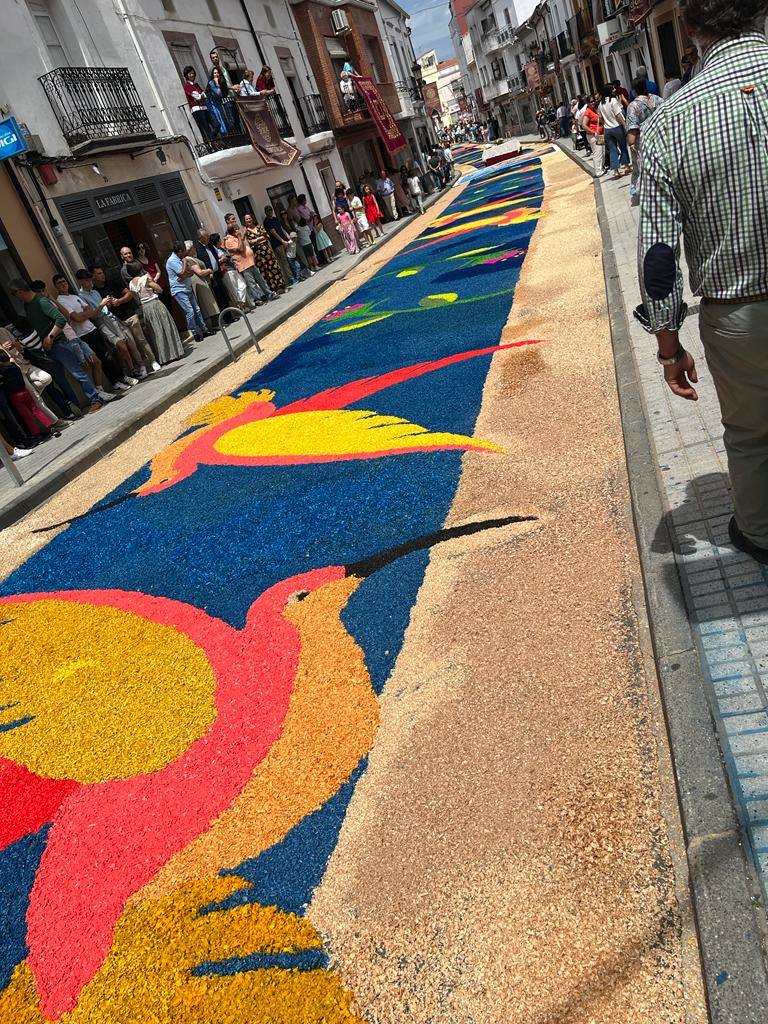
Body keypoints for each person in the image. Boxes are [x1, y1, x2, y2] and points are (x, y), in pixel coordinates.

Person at [635, 0, 768, 563]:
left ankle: (761, 534)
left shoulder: (670, 121)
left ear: (689, 28)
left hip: (739, 311)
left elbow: (658, 257)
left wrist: (669, 348)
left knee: (751, 436)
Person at [9, 278, 107, 413]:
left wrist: (50, 337)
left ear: (20, 291)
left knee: (77, 372)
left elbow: (60, 319)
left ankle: (95, 399)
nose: (14, 297)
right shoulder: (28, 306)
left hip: (60, 343)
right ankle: (75, 407)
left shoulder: (41, 301)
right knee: (59, 378)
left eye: (14, 293)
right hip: (47, 348)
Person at [53, 273, 129, 394]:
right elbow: (76, 318)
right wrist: (84, 314)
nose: (63, 284)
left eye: (64, 281)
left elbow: (91, 312)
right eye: (60, 283)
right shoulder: (61, 301)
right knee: (99, 359)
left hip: (92, 328)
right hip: (82, 334)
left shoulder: (74, 296)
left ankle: (121, 377)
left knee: (108, 354)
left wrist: (84, 314)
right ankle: (114, 382)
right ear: (56, 286)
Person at [75, 267, 153, 379]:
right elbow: (93, 315)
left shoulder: (95, 292)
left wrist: (109, 303)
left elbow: (105, 308)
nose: (89, 282)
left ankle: (132, 370)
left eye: (90, 280)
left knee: (125, 344)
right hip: (101, 323)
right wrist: (102, 304)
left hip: (111, 318)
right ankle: (127, 371)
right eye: (86, 280)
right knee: (120, 347)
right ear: (80, 281)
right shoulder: (81, 296)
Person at [91, 262, 159, 372]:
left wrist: (119, 301)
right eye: (99, 273)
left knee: (141, 339)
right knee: (131, 345)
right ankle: (141, 365)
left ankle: (153, 361)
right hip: (117, 320)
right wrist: (107, 305)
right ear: (93, 276)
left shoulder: (113, 282)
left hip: (129, 314)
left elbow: (129, 294)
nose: (102, 275)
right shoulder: (95, 292)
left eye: (102, 272)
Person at [126, 260, 186, 364]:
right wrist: (154, 289)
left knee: (155, 331)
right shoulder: (145, 279)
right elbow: (159, 289)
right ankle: (174, 353)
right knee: (165, 326)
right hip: (154, 303)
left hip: (145, 307)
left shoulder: (131, 284)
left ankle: (163, 357)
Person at [0, 350, 57, 439]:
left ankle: (36, 434)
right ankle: (50, 426)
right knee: (36, 410)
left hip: (15, 396)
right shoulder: (15, 366)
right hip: (25, 392)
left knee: (26, 416)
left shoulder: (2, 371)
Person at [625, 76, 664, 206]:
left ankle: (648, 193)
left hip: (642, 140)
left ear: (634, 90)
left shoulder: (633, 106)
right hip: (660, 136)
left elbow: (632, 128)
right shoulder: (657, 99)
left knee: (643, 166)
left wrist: (631, 143)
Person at [166, 240, 210, 342]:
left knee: (197, 310)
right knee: (189, 311)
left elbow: (189, 273)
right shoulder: (172, 261)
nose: (186, 253)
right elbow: (182, 274)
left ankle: (205, 330)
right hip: (179, 290)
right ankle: (195, 333)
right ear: (180, 251)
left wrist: (184, 273)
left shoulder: (181, 258)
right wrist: (185, 264)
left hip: (187, 286)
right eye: (184, 251)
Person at [223, 226, 276, 305]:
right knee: (251, 283)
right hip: (243, 264)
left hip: (250, 262)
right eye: (237, 229)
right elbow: (240, 249)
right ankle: (257, 299)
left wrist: (241, 236)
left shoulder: (237, 237)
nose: (239, 230)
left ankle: (269, 294)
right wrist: (239, 236)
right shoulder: (229, 241)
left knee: (261, 280)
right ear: (233, 232)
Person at [240, 212, 286, 294]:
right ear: (244, 221)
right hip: (258, 255)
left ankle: (281, 285)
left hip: (267, 252)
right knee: (265, 271)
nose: (248, 220)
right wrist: (259, 239)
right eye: (247, 219)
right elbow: (250, 242)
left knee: (274, 267)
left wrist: (256, 240)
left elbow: (266, 236)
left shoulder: (259, 226)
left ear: (252, 219)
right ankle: (274, 289)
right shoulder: (246, 232)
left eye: (249, 218)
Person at [185, 240, 221, 327]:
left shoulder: (192, 258)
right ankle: (214, 325)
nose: (195, 249)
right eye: (193, 247)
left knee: (209, 303)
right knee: (208, 304)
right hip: (199, 283)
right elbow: (199, 272)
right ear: (190, 249)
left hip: (202, 282)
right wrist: (209, 270)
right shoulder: (189, 259)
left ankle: (215, 324)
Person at [598, 83, 630, 180]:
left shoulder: (601, 103)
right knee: (623, 146)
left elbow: (600, 117)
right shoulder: (613, 101)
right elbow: (618, 115)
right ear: (609, 91)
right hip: (617, 127)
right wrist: (625, 125)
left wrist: (607, 122)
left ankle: (616, 171)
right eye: (612, 89)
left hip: (607, 129)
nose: (614, 90)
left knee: (612, 150)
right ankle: (626, 166)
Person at [183, 66, 220, 143]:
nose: (192, 75)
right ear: (186, 75)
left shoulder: (196, 85)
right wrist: (201, 95)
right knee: (206, 129)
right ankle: (211, 145)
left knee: (217, 124)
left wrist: (202, 95)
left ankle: (212, 140)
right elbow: (198, 97)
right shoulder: (187, 86)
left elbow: (204, 95)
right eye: (190, 74)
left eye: (193, 73)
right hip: (197, 110)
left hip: (204, 108)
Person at [195, 228, 229, 310]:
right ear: (201, 238)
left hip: (217, 273)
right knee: (218, 297)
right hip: (210, 276)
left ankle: (229, 315)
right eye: (206, 236)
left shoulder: (210, 245)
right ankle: (225, 317)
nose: (208, 237)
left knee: (224, 294)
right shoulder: (197, 248)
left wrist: (220, 260)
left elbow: (216, 256)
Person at [263, 205, 297, 286]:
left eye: (270, 210)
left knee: (290, 258)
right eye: (268, 210)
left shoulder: (275, 219)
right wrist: (282, 241)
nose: (270, 211)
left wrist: (288, 236)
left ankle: (296, 274)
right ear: (265, 212)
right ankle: (291, 279)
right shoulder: (267, 221)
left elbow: (281, 228)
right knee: (284, 261)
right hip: (277, 244)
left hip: (285, 241)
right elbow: (273, 232)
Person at [582, 97, 605, 177]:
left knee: (602, 152)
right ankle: (598, 171)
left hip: (600, 134)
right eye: (591, 101)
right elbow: (584, 125)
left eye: (594, 101)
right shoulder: (587, 112)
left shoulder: (595, 110)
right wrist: (593, 132)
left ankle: (601, 168)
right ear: (588, 103)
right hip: (593, 136)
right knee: (597, 153)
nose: (593, 102)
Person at [206, 67, 230, 137]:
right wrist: (217, 83)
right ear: (212, 75)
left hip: (218, 103)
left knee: (223, 118)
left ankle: (227, 135)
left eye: (217, 73)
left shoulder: (221, 81)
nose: (216, 74)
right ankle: (222, 136)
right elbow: (218, 93)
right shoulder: (211, 82)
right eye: (214, 73)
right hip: (212, 104)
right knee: (219, 119)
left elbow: (224, 93)